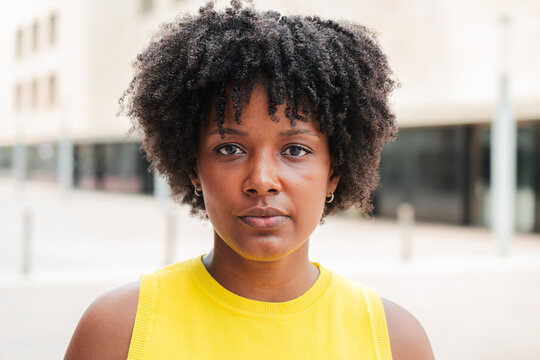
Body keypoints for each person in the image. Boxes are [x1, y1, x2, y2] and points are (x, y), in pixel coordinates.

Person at [64, 1, 434, 359]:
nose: (262, 181)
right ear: (194, 168)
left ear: (333, 173)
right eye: (229, 149)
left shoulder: (394, 341)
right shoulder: (118, 332)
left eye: (295, 150)